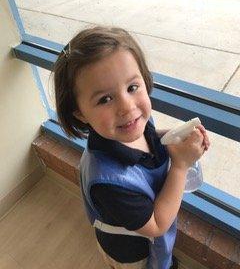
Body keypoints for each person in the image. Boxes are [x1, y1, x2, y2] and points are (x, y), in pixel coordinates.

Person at [54, 26, 210, 269]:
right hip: (132, 254)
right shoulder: (109, 184)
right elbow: (158, 225)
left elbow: (148, 138)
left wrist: (171, 136)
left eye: (132, 87)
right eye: (105, 99)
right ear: (80, 113)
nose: (127, 107)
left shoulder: (130, 126)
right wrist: (180, 166)